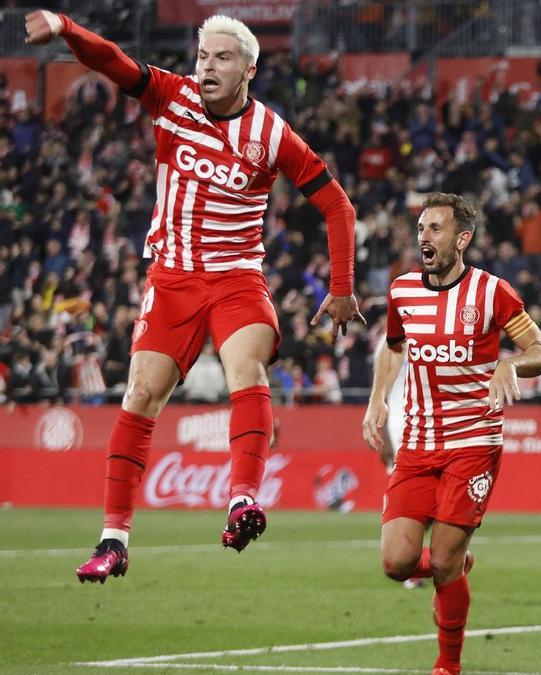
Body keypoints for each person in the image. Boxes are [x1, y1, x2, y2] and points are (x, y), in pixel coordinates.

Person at [24, 10, 363, 583]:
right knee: (140, 394)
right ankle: (114, 539)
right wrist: (64, 25)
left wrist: (342, 289)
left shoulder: (271, 134)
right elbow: (112, 61)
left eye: (222, 57)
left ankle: (242, 500)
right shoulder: (170, 96)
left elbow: (338, 205)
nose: (207, 66)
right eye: (203, 55)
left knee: (247, 370)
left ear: (249, 70)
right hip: (173, 278)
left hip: (236, 280)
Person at [363, 193, 541, 675]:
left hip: (473, 442)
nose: (423, 237)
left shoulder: (493, 293)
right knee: (397, 563)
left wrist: (511, 364)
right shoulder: (402, 291)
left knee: (445, 560)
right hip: (416, 444)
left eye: (435, 229)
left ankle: (447, 665)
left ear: (461, 238)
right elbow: (392, 348)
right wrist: (377, 398)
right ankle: (458, 566)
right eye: (422, 228)